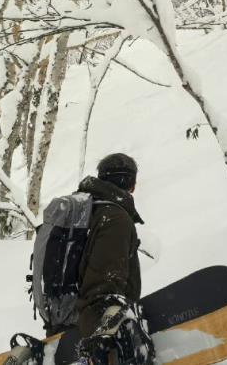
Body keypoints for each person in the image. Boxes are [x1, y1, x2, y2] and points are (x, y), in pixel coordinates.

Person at [73, 153, 154, 365]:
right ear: (132, 184)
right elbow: (104, 283)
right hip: (99, 332)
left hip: (68, 326)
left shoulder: (85, 213)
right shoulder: (114, 218)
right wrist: (105, 331)